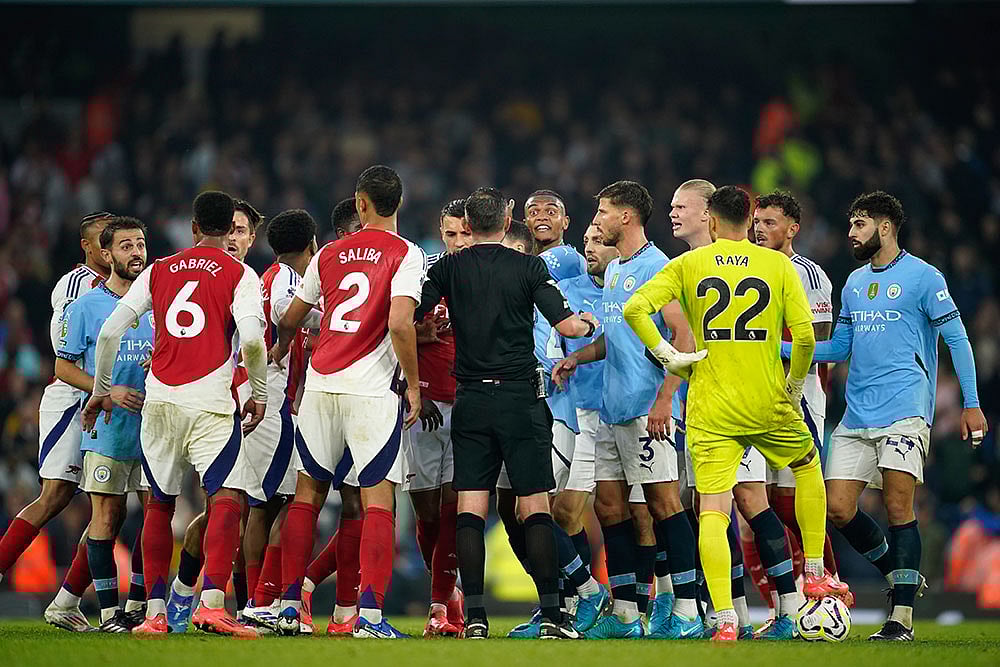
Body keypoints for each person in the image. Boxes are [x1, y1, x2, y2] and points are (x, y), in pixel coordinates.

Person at [623, 185, 846, 642]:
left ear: (713, 220)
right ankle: (818, 572)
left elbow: (635, 309)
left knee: (712, 511)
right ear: (748, 218)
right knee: (807, 467)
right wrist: (794, 384)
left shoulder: (688, 264)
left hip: (712, 407)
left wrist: (669, 357)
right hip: (767, 401)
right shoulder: (778, 265)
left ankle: (725, 618)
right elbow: (805, 339)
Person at [781, 191, 988, 641]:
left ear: (886, 227)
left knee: (898, 506)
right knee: (836, 508)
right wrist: (776, 348)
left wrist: (971, 403)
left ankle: (902, 618)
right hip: (856, 414)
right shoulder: (854, 283)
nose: (851, 233)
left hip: (906, 410)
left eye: (859, 224)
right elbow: (838, 348)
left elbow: (958, 340)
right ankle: (901, 574)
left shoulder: (924, 278)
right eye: (851, 225)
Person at [83, 190, 269, 638]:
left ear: (193, 227)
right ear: (229, 231)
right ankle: (211, 605)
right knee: (228, 497)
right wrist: (258, 393)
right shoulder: (240, 273)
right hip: (208, 403)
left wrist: (101, 391)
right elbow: (253, 342)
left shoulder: (159, 269)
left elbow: (109, 332)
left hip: (160, 401)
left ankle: (154, 614)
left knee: (158, 505)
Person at [415, 186, 598, 640]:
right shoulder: (529, 266)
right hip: (520, 399)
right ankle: (555, 617)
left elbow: (410, 315)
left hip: (471, 400)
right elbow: (568, 326)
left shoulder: (448, 267)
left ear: (470, 225)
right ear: (508, 217)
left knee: (471, 510)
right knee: (534, 506)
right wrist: (591, 322)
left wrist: (425, 332)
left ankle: (475, 618)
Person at [270, 165, 424, 640]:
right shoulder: (407, 253)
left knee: (308, 495)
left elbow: (293, 315)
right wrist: (414, 386)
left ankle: (289, 607)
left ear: (360, 203)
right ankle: (371, 618)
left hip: (320, 385)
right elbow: (400, 323)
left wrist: (279, 349)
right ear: (398, 202)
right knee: (379, 501)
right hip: (371, 388)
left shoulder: (330, 253)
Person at [552, 181, 701, 640]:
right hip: (613, 408)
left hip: (647, 409)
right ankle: (623, 615)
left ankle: (688, 611)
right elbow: (617, 337)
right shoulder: (617, 271)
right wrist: (579, 355)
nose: (597, 220)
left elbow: (685, 338)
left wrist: (664, 399)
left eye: (603, 212)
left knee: (662, 505)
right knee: (609, 506)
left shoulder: (660, 268)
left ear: (628, 217)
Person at [0, 211, 113, 632]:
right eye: (104, 238)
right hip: (73, 397)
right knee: (56, 496)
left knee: (110, 507)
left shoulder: (127, 286)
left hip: (110, 403)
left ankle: (66, 601)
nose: (110, 245)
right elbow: (65, 348)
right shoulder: (77, 284)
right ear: (87, 246)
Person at [500, 220, 610, 638]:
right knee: (536, 512)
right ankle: (563, 605)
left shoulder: (553, 275)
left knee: (543, 509)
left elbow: (588, 331)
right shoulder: (539, 295)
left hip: (565, 412)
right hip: (549, 410)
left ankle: (588, 593)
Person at [750, 190, 849, 629]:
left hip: (798, 398)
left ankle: (830, 584)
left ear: (793, 229)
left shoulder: (809, 274)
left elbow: (822, 345)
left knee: (791, 504)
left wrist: (773, 352)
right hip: (753, 399)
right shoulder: (749, 268)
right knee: (760, 506)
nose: (759, 229)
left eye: (770, 222)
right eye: (757, 221)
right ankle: (783, 606)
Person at [166, 197, 265, 632]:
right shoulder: (223, 279)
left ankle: (197, 598)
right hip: (214, 405)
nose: (235, 238)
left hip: (246, 406)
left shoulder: (256, 280)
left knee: (238, 505)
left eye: (243, 231)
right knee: (228, 504)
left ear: (249, 237)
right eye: (232, 228)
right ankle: (194, 597)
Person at [55, 217, 153, 632]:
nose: (136, 253)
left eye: (141, 244)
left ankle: (141, 606)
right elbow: (62, 365)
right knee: (107, 518)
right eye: (127, 246)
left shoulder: (159, 301)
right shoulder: (85, 306)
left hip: (153, 427)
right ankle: (110, 614)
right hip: (109, 426)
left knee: (155, 517)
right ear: (107, 254)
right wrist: (104, 391)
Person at [239, 209, 319, 632]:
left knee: (261, 503)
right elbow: (291, 315)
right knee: (291, 499)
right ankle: (267, 600)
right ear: (312, 244)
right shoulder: (289, 278)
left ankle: (255, 599)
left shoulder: (261, 277)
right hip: (270, 395)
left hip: (260, 393)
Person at [405, 199, 471, 637]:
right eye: (451, 234)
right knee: (427, 515)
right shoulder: (421, 274)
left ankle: (437, 607)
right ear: (440, 233)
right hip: (424, 407)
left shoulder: (485, 275)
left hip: (467, 404)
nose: (459, 242)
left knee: (452, 507)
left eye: (466, 233)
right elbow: (391, 328)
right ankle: (451, 594)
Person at [525, 190, 587, 280]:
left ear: (565, 222)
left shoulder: (569, 257)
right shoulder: (527, 260)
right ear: (525, 224)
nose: (542, 217)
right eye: (533, 213)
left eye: (551, 212)